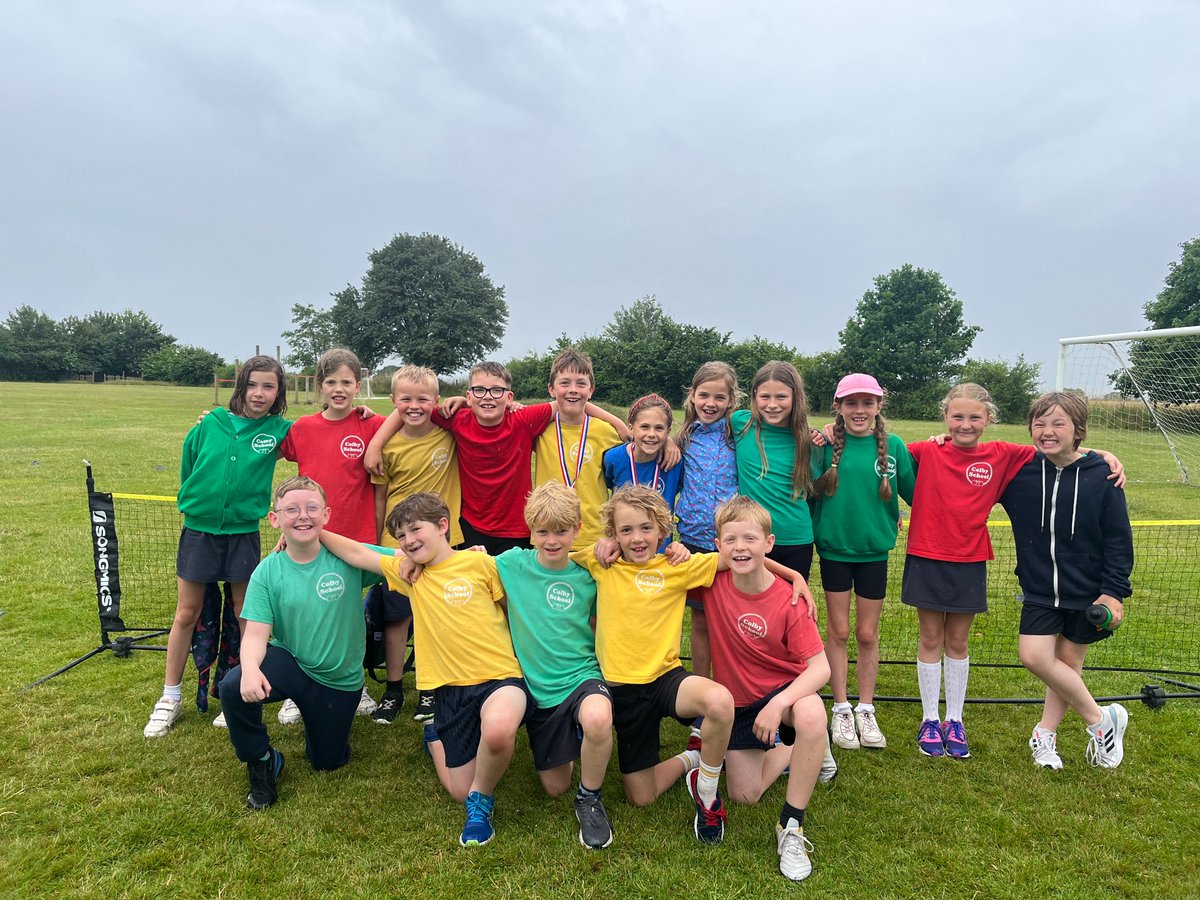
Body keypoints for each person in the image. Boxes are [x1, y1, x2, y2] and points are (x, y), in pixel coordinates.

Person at [577, 485, 815, 845]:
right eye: (625, 530)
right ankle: (692, 759)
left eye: (645, 528)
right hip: (623, 690)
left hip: (667, 680)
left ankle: (707, 792)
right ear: (613, 535)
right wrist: (601, 544)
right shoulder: (602, 562)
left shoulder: (680, 566)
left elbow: (742, 554)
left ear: (662, 529)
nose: (637, 538)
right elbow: (555, 552)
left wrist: (793, 575)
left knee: (719, 701)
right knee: (641, 797)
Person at [319, 492, 528, 848]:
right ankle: (435, 737)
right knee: (460, 789)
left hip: (500, 678)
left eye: (416, 529)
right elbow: (357, 553)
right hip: (449, 689)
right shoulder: (410, 575)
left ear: (443, 526)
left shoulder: (481, 564)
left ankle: (481, 805)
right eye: (400, 536)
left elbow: (513, 610)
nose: (408, 540)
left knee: (497, 731)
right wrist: (311, 530)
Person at [144, 355, 291, 738]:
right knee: (186, 613)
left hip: (243, 534)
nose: (259, 394)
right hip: (200, 532)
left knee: (247, 612)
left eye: (269, 386)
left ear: (279, 393)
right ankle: (169, 696)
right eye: (253, 385)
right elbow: (189, 469)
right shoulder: (209, 424)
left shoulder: (280, 431)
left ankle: (238, 690)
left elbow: (320, 437)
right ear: (240, 386)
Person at [217, 476, 377, 809]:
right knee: (233, 686)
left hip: (338, 680)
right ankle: (262, 760)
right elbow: (257, 633)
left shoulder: (349, 558)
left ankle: (321, 727)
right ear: (275, 519)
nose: (302, 516)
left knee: (327, 762)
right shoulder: (267, 571)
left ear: (327, 514)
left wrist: (471, 557)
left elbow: (408, 558)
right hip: (291, 663)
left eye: (311, 509)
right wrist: (248, 669)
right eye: (291, 510)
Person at [696, 497, 830, 882]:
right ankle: (804, 747)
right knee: (744, 795)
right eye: (731, 539)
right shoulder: (710, 579)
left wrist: (780, 703)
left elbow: (820, 667)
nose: (741, 547)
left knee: (811, 714)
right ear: (717, 544)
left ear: (769, 542)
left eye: (751, 539)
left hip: (783, 695)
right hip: (738, 704)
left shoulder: (789, 600)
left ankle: (791, 826)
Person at [1000, 392, 1132, 769]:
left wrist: (1113, 592)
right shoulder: (1019, 472)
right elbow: (975, 457)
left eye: (1058, 423)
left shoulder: (1103, 476)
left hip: (1087, 591)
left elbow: (1119, 540)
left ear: (1078, 430)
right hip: (1039, 590)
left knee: (1068, 663)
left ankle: (1045, 734)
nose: (1047, 431)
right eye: (1039, 423)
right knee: (1035, 657)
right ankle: (1101, 720)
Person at [495, 483, 615, 849]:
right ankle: (576, 738)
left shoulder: (588, 573)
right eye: (543, 531)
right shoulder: (510, 564)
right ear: (530, 530)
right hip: (539, 691)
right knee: (553, 787)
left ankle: (590, 798)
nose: (552, 540)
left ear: (578, 529)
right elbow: (455, 563)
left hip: (581, 677)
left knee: (598, 718)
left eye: (561, 531)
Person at [275, 348, 383, 725]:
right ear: (319, 386)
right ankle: (295, 687)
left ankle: (354, 684)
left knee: (348, 617)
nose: (339, 389)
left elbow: (413, 415)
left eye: (347, 382)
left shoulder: (372, 424)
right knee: (301, 615)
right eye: (331, 382)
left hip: (355, 541)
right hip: (309, 540)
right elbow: (258, 446)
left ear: (359, 385)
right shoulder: (302, 428)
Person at [811, 373, 915, 751]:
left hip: (874, 554)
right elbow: (802, 486)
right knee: (837, 631)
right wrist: (812, 438)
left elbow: (918, 491)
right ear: (838, 406)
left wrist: (940, 444)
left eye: (867, 403)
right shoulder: (823, 446)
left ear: (878, 406)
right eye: (851, 403)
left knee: (867, 634)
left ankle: (866, 708)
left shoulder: (895, 447)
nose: (859, 410)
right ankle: (840, 708)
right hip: (834, 552)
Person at [369, 364, 464, 724]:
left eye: (423, 399)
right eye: (405, 399)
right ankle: (393, 689)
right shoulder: (386, 446)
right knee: (397, 619)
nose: (414, 405)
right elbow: (380, 499)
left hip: (442, 546)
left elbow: (478, 409)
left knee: (434, 619)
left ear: (436, 402)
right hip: (399, 547)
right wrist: (380, 540)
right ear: (393, 401)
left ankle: (429, 688)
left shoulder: (449, 433)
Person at [674, 362, 741, 682]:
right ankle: (703, 688)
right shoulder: (683, 438)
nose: (710, 403)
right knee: (700, 621)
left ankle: (733, 689)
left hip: (731, 543)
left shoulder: (739, 434)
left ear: (731, 401)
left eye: (719, 397)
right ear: (692, 395)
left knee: (730, 620)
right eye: (704, 395)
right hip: (693, 542)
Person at [730, 361, 819, 580]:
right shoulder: (740, 423)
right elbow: (701, 426)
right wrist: (670, 443)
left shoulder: (809, 441)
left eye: (781, 397)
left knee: (790, 607)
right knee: (750, 610)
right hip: (751, 538)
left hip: (795, 539)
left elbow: (818, 490)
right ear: (754, 395)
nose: (772, 405)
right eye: (765, 397)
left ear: (795, 397)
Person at [532, 347, 625, 549]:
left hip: (594, 537)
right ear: (551, 389)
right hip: (549, 534)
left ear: (591, 390)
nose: (573, 389)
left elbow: (642, 446)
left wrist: (668, 442)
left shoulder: (606, 431)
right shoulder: (539, 428)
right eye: (564, 383)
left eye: (581, 384)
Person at [601, 394, 684, 525]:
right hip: (623, 542)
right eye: (644, 427)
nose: (651, 434)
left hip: (662, 543)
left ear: (668, 431)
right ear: (631, 427)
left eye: (659, 428)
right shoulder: (613, 458)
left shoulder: (674, 461)